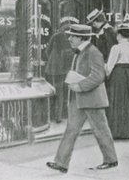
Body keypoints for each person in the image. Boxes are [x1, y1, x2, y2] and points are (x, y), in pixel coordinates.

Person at [46, 24, 118, 173]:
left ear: (81, 37)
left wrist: (80, 86)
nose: (70, 38)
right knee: (71, 131)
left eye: (72, 36)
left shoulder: (93, 52)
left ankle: (111, 160)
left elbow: (99, 76)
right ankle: (61, 163)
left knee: (101, 130)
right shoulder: (80, 52)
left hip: (92, 100)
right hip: (79, 100)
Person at [105, 23, 129, 139]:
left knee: (118, 101)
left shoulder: (116, 48)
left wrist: (106, 75)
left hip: (118, 74)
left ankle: (117, 131)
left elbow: (110, 65)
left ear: (119, 35)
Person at [45, 23, 73, 123]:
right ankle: (68, 115)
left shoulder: (55, 36)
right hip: (68, 68)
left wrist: (53, 61)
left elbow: (47, 51)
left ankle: (57, 116)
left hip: (55, 69)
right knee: (69, 92)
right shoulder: (72, 38)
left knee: (58, 92)